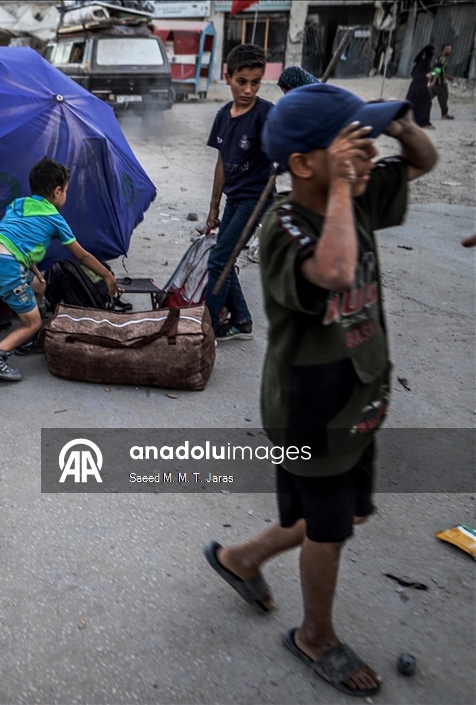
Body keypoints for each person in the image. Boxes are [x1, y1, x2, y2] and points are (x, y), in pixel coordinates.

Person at [204, 83, 436, 697]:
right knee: (329, 527)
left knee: (341, 513)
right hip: (312, 407)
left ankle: (242, 558)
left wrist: (401, 125)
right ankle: (316, 636)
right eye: (351, 146)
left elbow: (422, 161)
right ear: (304, 165)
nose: (367, 158)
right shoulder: (284, 225)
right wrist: (342, 189)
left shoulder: (354, 195)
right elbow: (333, 272)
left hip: (359, 395)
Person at [0, 157, 119, 382]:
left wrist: (29, 264)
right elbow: (81, 255)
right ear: (58, 191)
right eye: (67, 190)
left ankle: (31, 337)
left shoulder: (18, 204)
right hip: (9, 267)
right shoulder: (54, 218)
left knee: (39, 283)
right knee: (33, 323)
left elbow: (13, 235)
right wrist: (107, 275)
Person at [204, 44, 274, 340]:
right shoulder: (223, 115)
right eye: (241, 81)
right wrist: (213, 207)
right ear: (228, 76)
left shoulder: (266, 115)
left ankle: (206, 329)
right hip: (234, 197)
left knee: (218, 260)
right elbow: (221, 161)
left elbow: (285, 148)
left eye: (255, 82)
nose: (248, 89)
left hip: (256, 199)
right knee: (225, 257)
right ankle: (242, 320)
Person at [405, 45, 435, 128]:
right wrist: (425, 75)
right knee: (425, 104)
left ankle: (416, 121)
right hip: (418, 86)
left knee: (419, 104)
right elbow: (414, 74)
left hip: (421, 86)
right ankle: (422, 123)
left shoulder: (426, 62)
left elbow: (430, 73)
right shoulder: (423, 62)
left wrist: (433, 75)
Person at [429, 44, 454, 121]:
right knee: (443, 98)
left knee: (428, 97)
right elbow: (437, 70)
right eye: (448, 49)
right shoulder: (443, 59)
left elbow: (436, 70)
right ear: (443, 50)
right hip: (440, 83)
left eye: (450, 49)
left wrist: (447, 76)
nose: (450, 51)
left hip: (435, 83)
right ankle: (444, 114)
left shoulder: (438, 58)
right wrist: (434, 81)